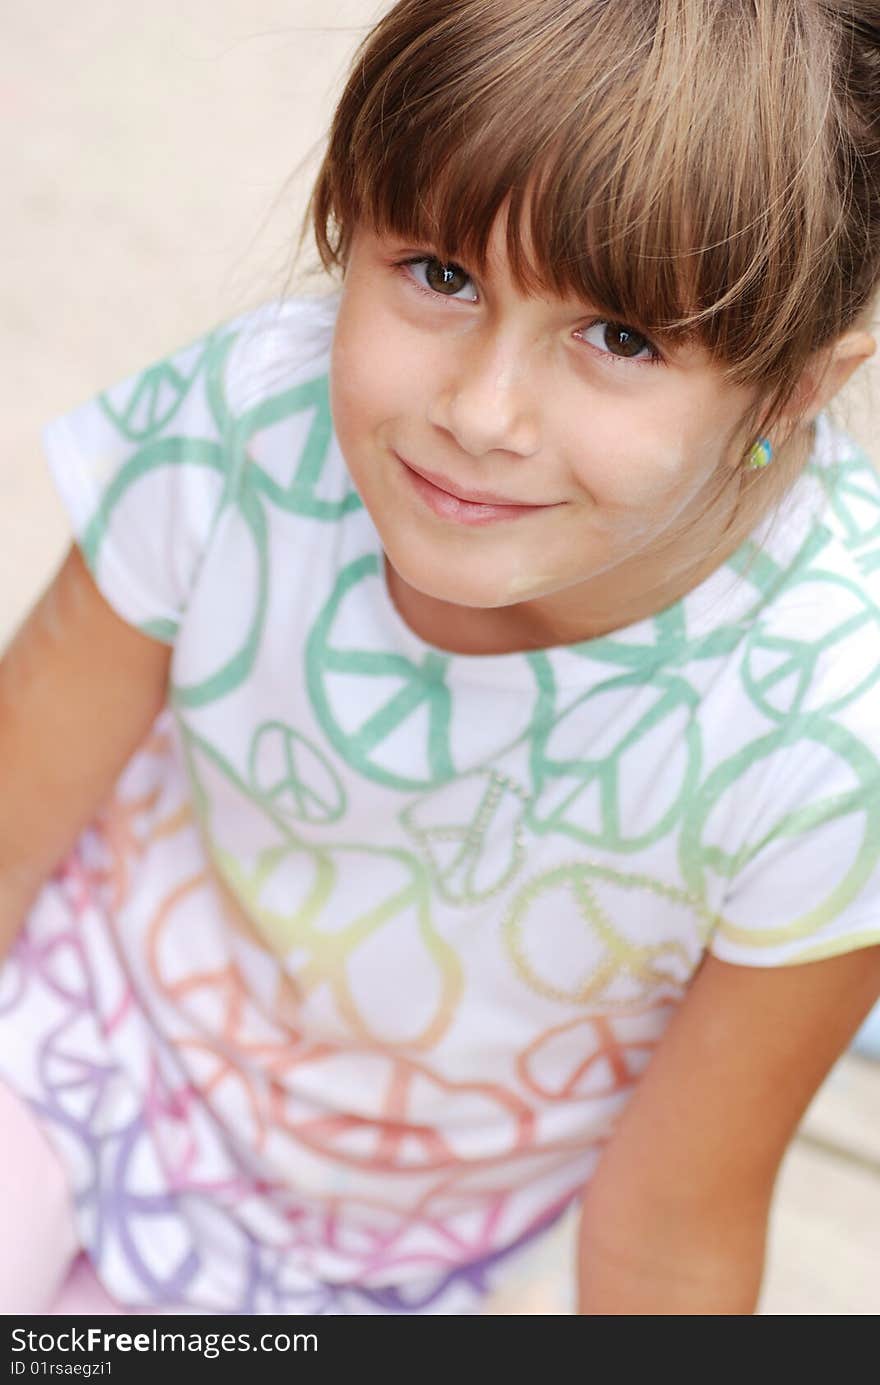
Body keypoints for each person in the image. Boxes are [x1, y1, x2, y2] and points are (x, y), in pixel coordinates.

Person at [2, 0, 880, 1317]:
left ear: (797, 386)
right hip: (73, 1039)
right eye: (441, 275)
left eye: (622, 338)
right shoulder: (250, 422)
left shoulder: (833, 727)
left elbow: (668, 1232)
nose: (478, 413)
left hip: (368, 1264)